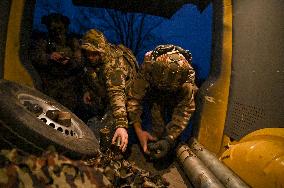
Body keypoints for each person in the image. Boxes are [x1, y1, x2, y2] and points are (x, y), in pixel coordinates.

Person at [127, 44, 198, 159]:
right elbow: (134, 99)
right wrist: (139, 132)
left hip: (176, 96)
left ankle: (169, 145)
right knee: (156, 115)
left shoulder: (186, 80)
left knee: (174, 134)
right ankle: (154, 140)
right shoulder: (148, 66)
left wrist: (169, 139)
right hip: (155, 93)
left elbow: (184, 109)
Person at [80, 29, 139, 152]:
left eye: (94, 53)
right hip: (104, 95)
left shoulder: (113, 65)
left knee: (106, 135)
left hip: (124, 98)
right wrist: (87, 91)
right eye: (87, 53)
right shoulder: (88, 58)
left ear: (101, 51)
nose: (90, 57)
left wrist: (121, 125)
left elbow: (116, 94)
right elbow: (87, 76)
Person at [30, 13, 84, 112]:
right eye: (53, 30)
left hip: (69, 92)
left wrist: (69, 62)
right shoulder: (44, 42)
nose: (57, 33)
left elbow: (80, 63)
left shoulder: (72, 42)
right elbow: (34, 57)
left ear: (65, 28)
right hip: (49, 89)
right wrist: (49, 57)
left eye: (60, 29)